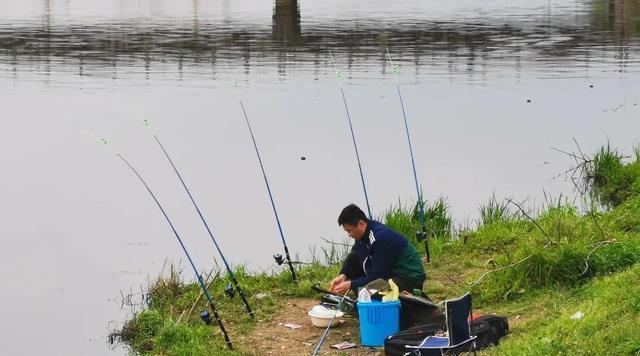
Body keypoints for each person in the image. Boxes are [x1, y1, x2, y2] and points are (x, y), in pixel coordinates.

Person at [330, 203, 426, 295]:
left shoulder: (379, 238)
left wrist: (351, 284)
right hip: (390, 273)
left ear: (361, 223)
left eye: (350, 231)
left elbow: (378, 277)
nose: (349, 235)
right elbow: (354, 256)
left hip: (409, 278)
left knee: (373, 290)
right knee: (353, 257)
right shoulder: (362, 235)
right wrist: (343, 276)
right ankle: (361, 292)